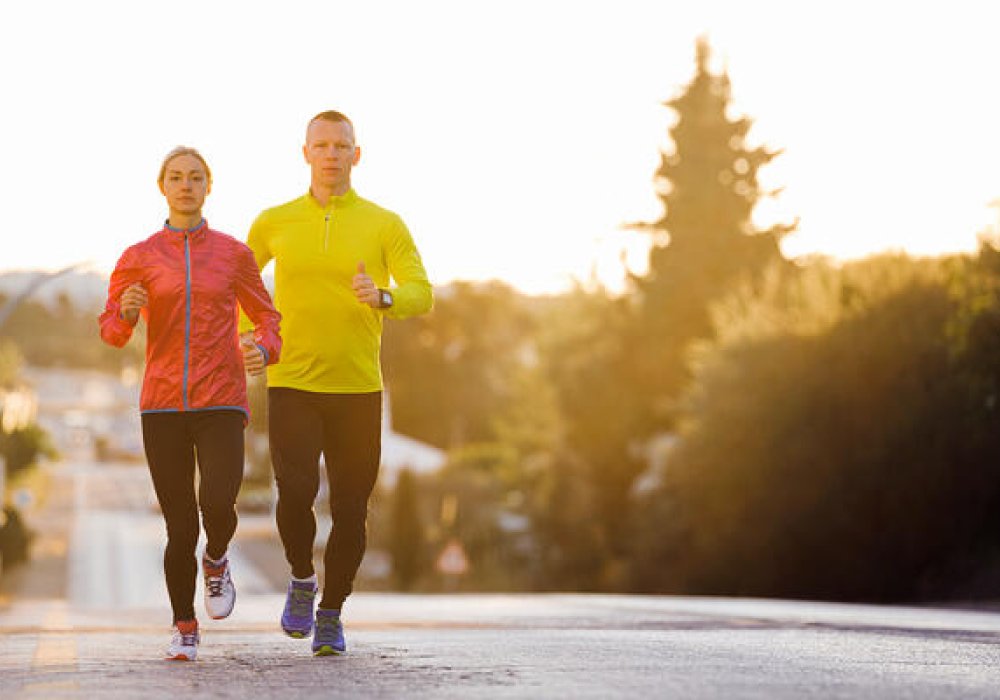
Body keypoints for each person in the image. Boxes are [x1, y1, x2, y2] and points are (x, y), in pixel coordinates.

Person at [241, 110, 432, 656]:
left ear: (356, 154)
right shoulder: (274, 221)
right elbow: (238, 286)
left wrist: (385, 297)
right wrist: (246, 338)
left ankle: (331, 611)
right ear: (305, 153)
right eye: (320, 145)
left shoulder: (384, 223)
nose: (331, 154)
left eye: (340, 145)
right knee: (295, 493)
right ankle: (302, 578)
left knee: (351, 509)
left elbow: (422, 290)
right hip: (293, 381)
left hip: (357, 388)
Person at [99, 146, 282, 661]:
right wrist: (128, 313)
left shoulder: (232, 254)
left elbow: (268, 319)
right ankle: (184, 625)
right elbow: (111, 331)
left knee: (218, 503)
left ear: (208, 187)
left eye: (195, 177)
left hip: (222, 397)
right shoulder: (138, 256)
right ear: (163, 186)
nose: (185, 185)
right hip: (161, 405)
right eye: (176, 177)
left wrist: (262, 348)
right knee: (179, 525)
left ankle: (218, 559)